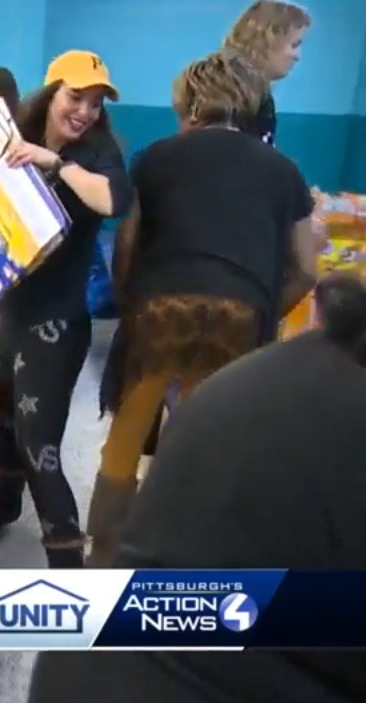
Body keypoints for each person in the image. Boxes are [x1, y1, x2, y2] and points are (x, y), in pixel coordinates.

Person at [28, 273, 366, 703]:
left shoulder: (257, 378)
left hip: (89, 663)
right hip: (223, 673)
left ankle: (102, 537)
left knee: (129, 426)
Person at [87, 53, 319, 567]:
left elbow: (126, 245)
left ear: (190, 105)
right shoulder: (285, 172)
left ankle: (104, 553)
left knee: (127, 435)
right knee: (205, 435)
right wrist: (263, 313)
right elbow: (307, 266)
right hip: (239, 319)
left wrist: (132, 306)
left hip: (161, 310)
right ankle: (181, 555)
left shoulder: (156, 158)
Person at [0, 50, 132, 569]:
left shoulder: (98, 154)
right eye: (75, 97)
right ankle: (6, 503)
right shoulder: (12, 133)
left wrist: (53, 161)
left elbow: (113, 202)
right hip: (7, 312)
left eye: (95, 103)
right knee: (9, 424)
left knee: (41, 448)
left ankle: (68, 569)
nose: (84, 111)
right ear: (52, 91)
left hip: (56, 325)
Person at [223, 1, 310, 145]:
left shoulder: (260, 96)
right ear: (266, 41)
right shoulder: (230, 95)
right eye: (294, 45)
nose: (297, 56)